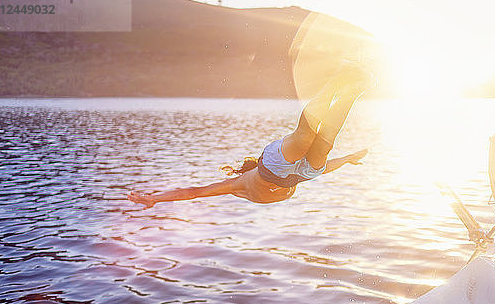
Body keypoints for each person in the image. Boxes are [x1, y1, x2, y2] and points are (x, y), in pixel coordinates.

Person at [127, 64, 373, 208]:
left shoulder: (239, 184)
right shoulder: (246, 184)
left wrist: (155, 199)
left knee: (305, 136)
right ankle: (353, 91)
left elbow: (193, 191)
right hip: (303, 174)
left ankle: (336, 81)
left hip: (275, 169)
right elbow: (328, 166)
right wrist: (348, 158)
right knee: (327, 138)